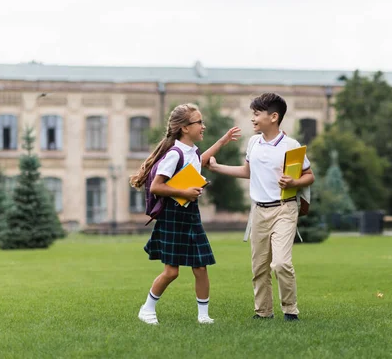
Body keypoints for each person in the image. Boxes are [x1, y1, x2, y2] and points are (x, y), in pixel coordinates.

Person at [129, 103, 240, 325]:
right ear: (185, 128)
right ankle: (147, 309)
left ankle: (203, 316)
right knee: (172, 272)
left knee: (200, 267)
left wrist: (223, 141)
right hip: (173, 215)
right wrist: (183, 191)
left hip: (191, 215)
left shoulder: (192, 152)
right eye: (199, 122)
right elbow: (156, 187)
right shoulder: (174, 154)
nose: (203, 126)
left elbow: (200, 161)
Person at [207, 93, 314, 321]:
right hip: (258, 211)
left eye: (256, 114)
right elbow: (247, 172)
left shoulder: (291, 146)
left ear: (273, 117)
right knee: (259, 267)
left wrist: (294, 182)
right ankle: (263, 312)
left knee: (281, 263)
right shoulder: (253, 142)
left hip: (284, 209)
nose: (252, 119)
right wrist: (217, 168)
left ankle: (290, 311)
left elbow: (309, 175)